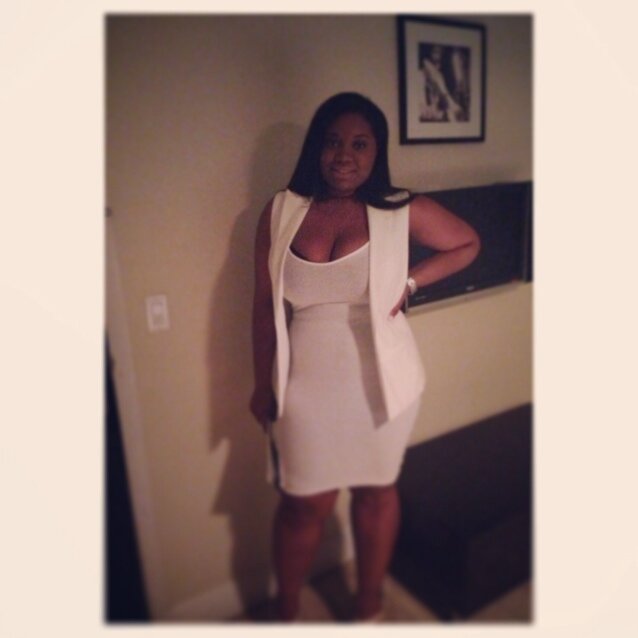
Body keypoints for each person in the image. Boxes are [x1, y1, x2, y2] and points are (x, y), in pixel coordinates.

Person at [250, 92, 480, 622]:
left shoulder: (400, 209)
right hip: (304, 383)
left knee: (377, 494)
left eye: (359, 144)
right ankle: (286, 610)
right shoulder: (280, 211)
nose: (344, 156)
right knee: (302, 504)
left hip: (383, 381)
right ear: (316, 148)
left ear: (378, 151)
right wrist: (262, 384)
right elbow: (263, 307)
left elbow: (467, 243)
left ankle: (369, 605)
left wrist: (412, 282)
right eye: (333, 142)